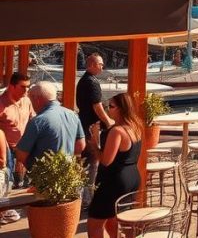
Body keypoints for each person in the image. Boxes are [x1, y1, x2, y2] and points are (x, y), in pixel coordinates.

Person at [86, 93, 142, 238]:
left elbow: (106, 160)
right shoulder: (135, 126)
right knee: (116, 220)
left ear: (121, 109)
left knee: (95, 223)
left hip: (114, 180)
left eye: (111, 106)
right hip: (132, 176)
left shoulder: (117, 131)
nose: (107, 109)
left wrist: (94, 143)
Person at [15, 82, 84, 173]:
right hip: (66, 173)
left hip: (44, 176)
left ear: (37, 100)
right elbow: (81, 145)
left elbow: (21, 155)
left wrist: (34, 168)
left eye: (31, 100)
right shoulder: (72, 115)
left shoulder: (38, 121)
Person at [76, 53, 113, 199]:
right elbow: (97, 106)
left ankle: (85, 196)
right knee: (92, 162)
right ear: (91, 64)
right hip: (90, 127)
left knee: (88, 161)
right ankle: (88, 199)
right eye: (100, 64)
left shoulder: (85, 80)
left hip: (84, 124)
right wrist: (109, 121)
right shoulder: (91, 82)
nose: (102, 67)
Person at [0, 72, 35, 188]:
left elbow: (33, 119)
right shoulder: (1, 103)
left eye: (28, 87)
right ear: (11, 86)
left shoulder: (26, 101)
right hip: (7, 148)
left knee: (23, 182)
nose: (26, 91)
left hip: (24, 146)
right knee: (7, 181)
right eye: (23, 87)